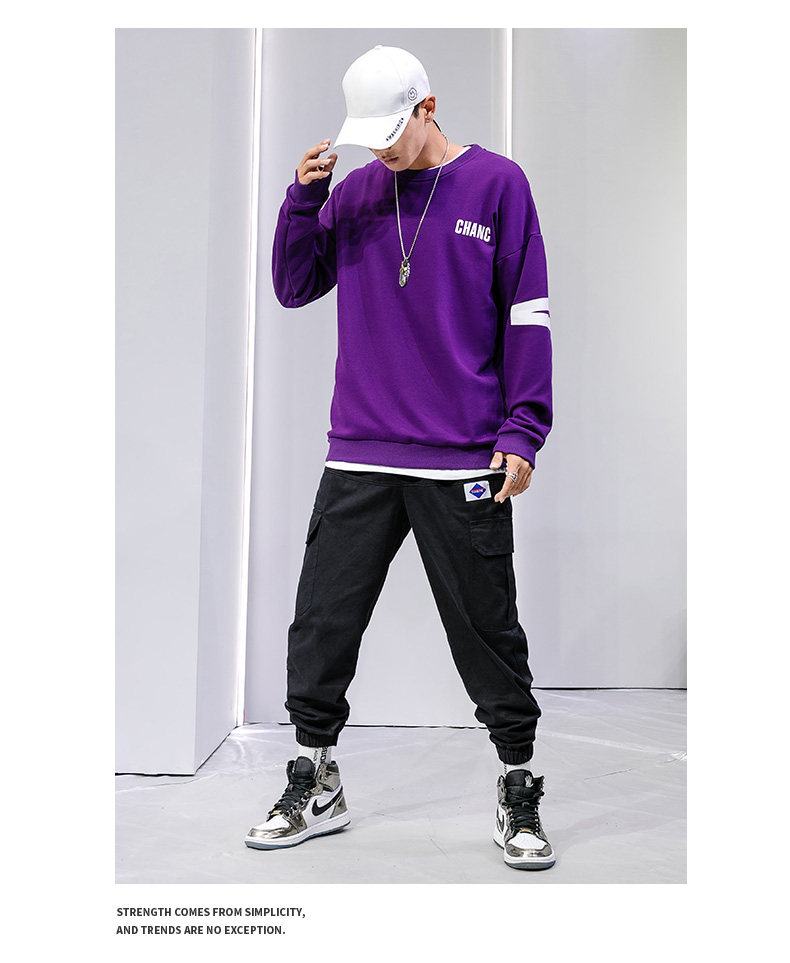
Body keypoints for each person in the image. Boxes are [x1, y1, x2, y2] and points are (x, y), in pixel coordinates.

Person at [245, 44, 555, 871]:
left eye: (393, 130)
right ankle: (316, 777)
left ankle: (517, 780)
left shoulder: (497, 185)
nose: (380, 148)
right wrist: (301, 200)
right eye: (369, 135)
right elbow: (294, 285)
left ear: (428, 108)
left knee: (488, 630)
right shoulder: (355, 192)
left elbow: (527, 311)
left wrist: (523, 429)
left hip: (462, 455)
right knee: (321, 622)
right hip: (361, 449)